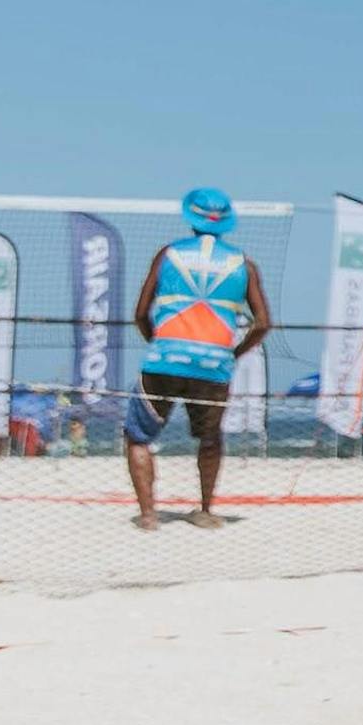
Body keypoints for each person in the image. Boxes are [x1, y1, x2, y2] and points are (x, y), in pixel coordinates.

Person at [126, 187, 272, 530]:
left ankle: (148, 515)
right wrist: (233, 354)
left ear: (190, 217)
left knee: (138, 435)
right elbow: (263, 323)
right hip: (213, 364)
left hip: (165, 357)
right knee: (210, 437)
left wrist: (157, 342)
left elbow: (140, 312)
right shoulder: (244, 265)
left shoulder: (168, 255)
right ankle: (205, 510)